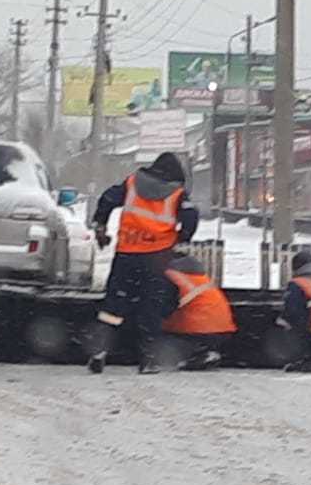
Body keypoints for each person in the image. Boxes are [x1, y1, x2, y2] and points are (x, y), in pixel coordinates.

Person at [89, 152, 199, 374]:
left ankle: (99, 351)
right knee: (151, 307)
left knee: (113, 305)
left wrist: (100, 224)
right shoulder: (177, 193)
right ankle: (148, 359)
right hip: (156, 259)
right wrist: (182, 238)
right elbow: (191, 216)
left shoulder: (132, 183)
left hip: (126, 254)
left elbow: (108, 198)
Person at [157, 253, 237, 371]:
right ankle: (207, 352)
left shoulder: (172, 276)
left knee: (155, 327)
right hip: (223, 327)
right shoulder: (201, 278)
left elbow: (167, 304)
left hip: (198, 328)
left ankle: (197, 354)